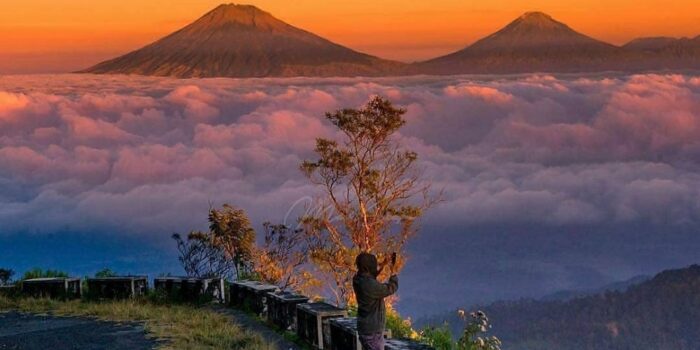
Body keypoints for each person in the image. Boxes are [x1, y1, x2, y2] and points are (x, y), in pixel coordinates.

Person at [353, 252, 399, 350]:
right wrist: (393, 272)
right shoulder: (369, 285)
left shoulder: (357, 279)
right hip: (372, 333)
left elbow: (370, 276)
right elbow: (391, 288)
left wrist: (383, 265)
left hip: (365, 328)